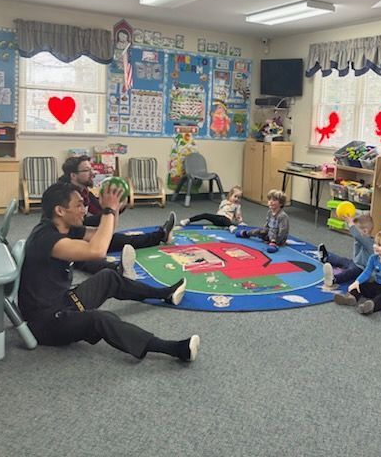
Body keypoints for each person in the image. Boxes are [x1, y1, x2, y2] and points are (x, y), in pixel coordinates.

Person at [18, 182, 200, 362]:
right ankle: (175, 349)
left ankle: (165, 294)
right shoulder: (46, 238)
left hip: (63, 301)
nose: (84, 209)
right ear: (60, 211)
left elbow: (105, 234)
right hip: (46, 322)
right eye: (79, 205)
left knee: (109, 277)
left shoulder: (64, 227)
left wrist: (113, 210)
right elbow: (96, 251)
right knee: (100, 319)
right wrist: (107, 211)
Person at [59, 155, 176, 277]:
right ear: (73, 175)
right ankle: (118, 269)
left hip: (79, 227)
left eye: (91, 169)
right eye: (87, 170)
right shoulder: (64, 194)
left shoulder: (84, 190)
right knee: (86, 256)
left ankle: (162, 235)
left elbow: (103, 211)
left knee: (119, 239)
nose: (92, 173)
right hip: (65, 236)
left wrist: (116, 206)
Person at [319, 213, 374, 289]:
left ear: (365, 231)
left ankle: (334, 279)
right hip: (354, 262)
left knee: (349, 273)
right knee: (342, 260)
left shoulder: (370, 243)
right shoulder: (362, 238)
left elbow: (357, 235)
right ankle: (325, 258)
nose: (354, 232)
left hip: (362, 269)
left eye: (356, 229)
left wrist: (350, 224)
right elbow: (357, 235)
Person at [180, 185, 244, 232]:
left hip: (226, 220)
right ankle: (188, 220)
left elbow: (238, 215)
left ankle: (231, 227)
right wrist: (228, 204)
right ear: (230, 195)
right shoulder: (224, 201)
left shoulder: (237, 206)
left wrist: (240, 222)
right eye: (235, 196)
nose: (236, 199)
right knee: (205, 215)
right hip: (217, 218)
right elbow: (220, 209)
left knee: (225, 219)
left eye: (239, 198)